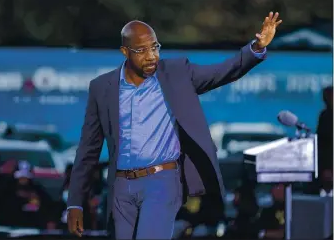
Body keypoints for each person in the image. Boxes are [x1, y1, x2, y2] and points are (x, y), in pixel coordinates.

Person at [67, 12, 282, 239]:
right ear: (125, 52)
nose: (152, 56)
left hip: (161, 180)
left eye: (155, 47)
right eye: (142, 50)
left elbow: (222, 72)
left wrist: (256, 47)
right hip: (120, 186)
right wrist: (75, 204)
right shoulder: (102, 88)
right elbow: (87, 151)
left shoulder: (177, 73)